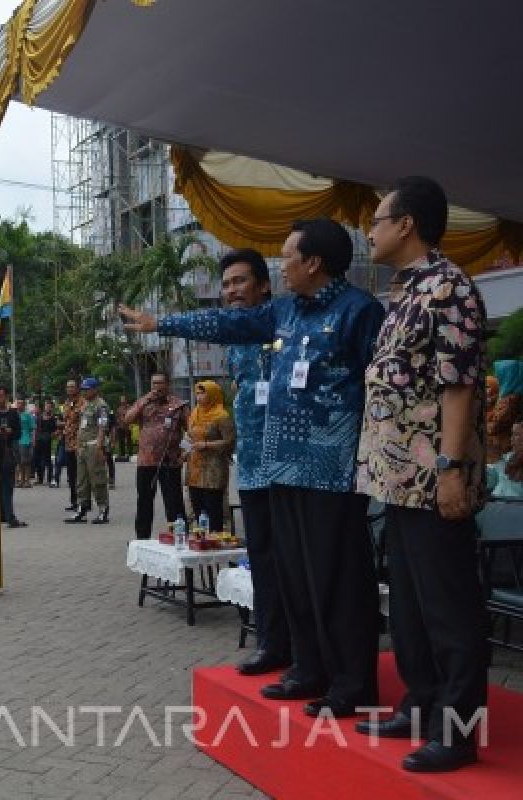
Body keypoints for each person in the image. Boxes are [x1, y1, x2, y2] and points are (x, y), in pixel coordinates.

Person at [122, 217, 385, 721]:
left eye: (288, 256)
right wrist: (163, 324)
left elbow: (378, 392)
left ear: (313, 262)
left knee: (338, 580)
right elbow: (229, 324)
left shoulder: (360, 311)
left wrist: (368, 461)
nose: (282, 266)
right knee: (296, 575)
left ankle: (352, 683)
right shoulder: (283, 312)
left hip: (332, 473)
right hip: (281, 468)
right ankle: (308, 668)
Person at [355, 177, 489, 773]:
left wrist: (452, 468)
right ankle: (420, 701)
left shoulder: (449, 288)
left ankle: (457, 730)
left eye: (378, 220)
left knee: (448, 604)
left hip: (434, 477)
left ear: (406, 224)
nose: (370, 230)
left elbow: (458, 387)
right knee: (408, 601)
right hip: (395, 478)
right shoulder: (403, 292)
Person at [217, 249, 292, 677]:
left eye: (240, 281)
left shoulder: (284, 324)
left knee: (293, 558)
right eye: (226, 285)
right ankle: (272, 643)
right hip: (251, 466)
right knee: (261, 556)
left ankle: (303, 645)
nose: (232, 291)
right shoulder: (235, 337)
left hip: (289, 465)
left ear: (264, 285)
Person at [122, 373, 189, 539]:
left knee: (174, 502)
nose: (157, 387)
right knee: (144, 501)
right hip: (146, 461)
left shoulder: (178, 405)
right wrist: (145, 400)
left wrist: (185, 452)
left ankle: (179, 537)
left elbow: (191, 431)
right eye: (154, 383)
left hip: (170, 461)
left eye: (160, 383)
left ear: (167, 385)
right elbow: (127, 419)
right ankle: (142, 538)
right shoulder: (143, 403)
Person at [185, 380, 235, 532]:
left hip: (213, 470)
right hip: (194, 468)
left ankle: (215, 541)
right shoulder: (194, 413)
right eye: (198, 393)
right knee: (197, 508)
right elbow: (190, 436)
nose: (199, 397)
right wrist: (185, 448)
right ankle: (200, 542)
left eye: (203, 393)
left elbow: (229, 441)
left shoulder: (222, 416)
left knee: (213, 509)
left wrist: (206, 445)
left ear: (213, 394)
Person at [65, 377, 112, 524]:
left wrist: (99, 447)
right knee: (81, 480)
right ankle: (82, 509)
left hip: (93, 446)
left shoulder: (101, 405)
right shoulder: (85, 405)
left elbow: (102, 427)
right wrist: (78, 445)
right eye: (83, 389)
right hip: (82, 447)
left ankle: (103, 510)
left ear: (95, 389)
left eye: (87, 389)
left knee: (97, 479)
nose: (84, 391)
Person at [0, 387, 27, 528]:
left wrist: (10, 432)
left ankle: (9, 515)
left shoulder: (13, 413)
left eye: (0, 396)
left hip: (8, 453)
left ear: (6, 397)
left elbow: (18, 433)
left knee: (8, 486)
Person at [487, 360, 522, 464]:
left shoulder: (509, 400)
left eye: (500, 375)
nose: (498, 379)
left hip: (501, 447)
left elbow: (495, 426)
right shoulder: (515, 396)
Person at [60, 379, 83, 509]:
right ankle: (74, 501)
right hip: (68, 442)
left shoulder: (83, 402)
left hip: (79, 443)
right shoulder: (67, 403)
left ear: (77, 388)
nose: (70, 389)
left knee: (81, 475)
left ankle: (84, 502)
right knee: (71, 474)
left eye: (72, 387)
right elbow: (66, 419)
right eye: (68, 387)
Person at [487, 422, 523, 499]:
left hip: (514, 507)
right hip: (496, 504)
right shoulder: (508, 456)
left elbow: (516, 493)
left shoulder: (503, 460)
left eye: (516, 434)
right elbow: (490, 481)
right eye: (512, 434)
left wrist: (498, 461)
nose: (511, 439)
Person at [33, 400, 58, 488]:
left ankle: (50, 479)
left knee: (47, 460)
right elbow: (36, 429)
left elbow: (56, 430)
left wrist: (52, 435)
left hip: (47, 441)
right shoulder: (39, 417)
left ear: (52, 407)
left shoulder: (53, 418)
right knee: (38, 460)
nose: (47, 407)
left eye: (49, 406)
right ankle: (40, 479)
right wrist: (34, 439)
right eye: (46, 406)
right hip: (39, 440)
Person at [16, 399, 36, 488]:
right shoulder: (15, 414)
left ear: (24, 405)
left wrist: (33, 440)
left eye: (21, 403)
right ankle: (20, 480)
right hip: (17, 440)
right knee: (18, 462)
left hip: (26, 439)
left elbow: (33, 428)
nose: (19, 405)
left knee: (26, 462)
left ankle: (27, 481)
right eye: (18, 403)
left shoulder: (28, 415)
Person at [115, 398, 133, 462]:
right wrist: (118, 423)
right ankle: (122, 453)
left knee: (128, 440)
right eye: (121, 401)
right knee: (121, 440)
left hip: (127, 426)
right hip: (121, 426)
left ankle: (130, 452)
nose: (122, 403)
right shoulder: (119, 409)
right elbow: (117, 417)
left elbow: (131, 416)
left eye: (123, 401)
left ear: (126, 401)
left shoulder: (130, 408)